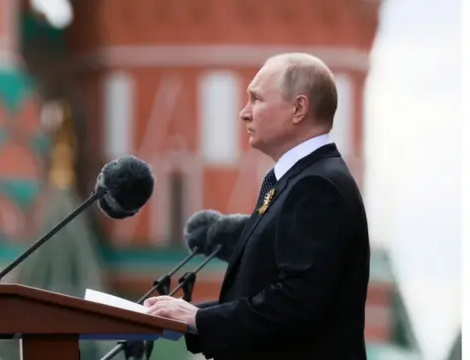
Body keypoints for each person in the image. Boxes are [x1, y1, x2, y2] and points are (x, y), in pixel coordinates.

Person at [144, 53, 370, 359]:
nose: (244, 113)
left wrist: (199, 319)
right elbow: (262, 295)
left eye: (256, 99)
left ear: (298, 108)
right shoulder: (296, 180)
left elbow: (296, 304)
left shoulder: (317, 186)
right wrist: (189, 316)